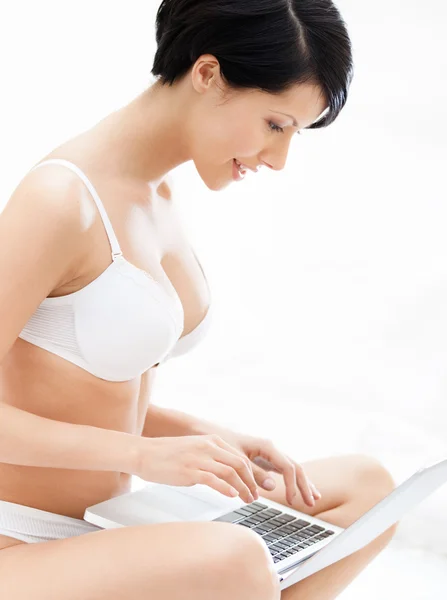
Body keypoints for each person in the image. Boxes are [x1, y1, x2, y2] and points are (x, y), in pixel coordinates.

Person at [0, 1, 397, 598]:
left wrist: (210, 438)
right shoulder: (61, 198)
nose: (279, 158)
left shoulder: (156, 194)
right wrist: (141, 457)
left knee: (369, 490)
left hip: (112, 537)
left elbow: (86, 389)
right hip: (20, 544)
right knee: (235, 559)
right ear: (208, 74)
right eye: (276, 124)